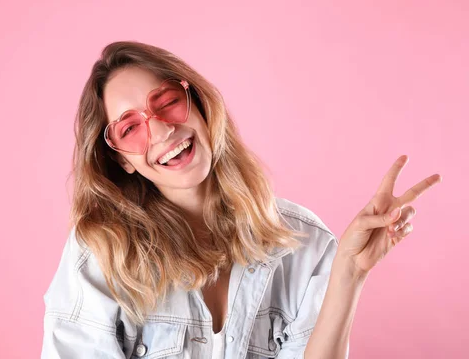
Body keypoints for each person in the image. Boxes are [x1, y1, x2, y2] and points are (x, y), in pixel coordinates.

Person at [40, 41, 442, 359]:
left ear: (197, 103)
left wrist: (350, 274)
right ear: (121, 161)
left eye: (166, 103)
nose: (162, 129)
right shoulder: (98, 255)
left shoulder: (306, 244)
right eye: (130, 128)